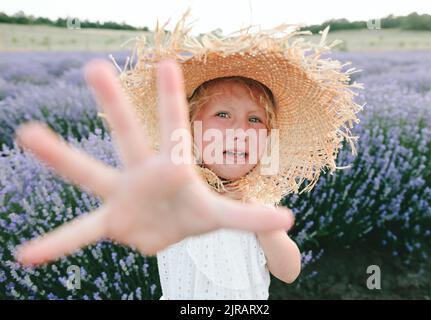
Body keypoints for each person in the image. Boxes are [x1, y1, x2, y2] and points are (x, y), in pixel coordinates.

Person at [14, 9, 363, 300]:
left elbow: (288, 272)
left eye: (255, 120)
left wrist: (264, 223)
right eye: (222, 115)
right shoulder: (175, 193)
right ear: (189, 131)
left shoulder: (261, 200)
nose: (239, 130)